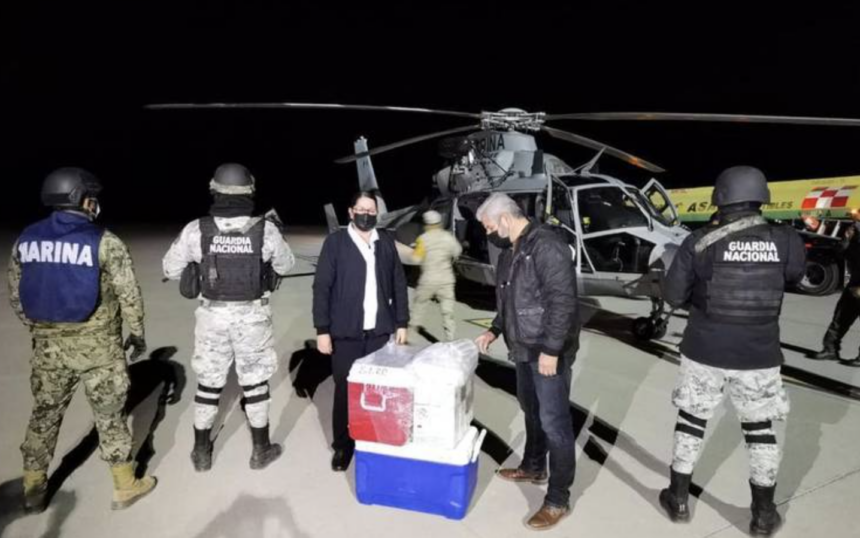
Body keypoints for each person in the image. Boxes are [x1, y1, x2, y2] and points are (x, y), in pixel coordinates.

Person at [660, 166, 806, 536]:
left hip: (704, 349)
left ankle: (678, 499)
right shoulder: (786, 239)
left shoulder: (699, 241)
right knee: (760, 430)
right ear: (761, 196)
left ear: (720, 197)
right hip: (758, 354)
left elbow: (672, 296)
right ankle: (763, 515)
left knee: (691, 421)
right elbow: (793, 276)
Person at [7, 167, 157, 512]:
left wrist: (41, 330)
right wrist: (137, 333)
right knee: (110, 416)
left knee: (44, 415)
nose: (95, 203)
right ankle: (125, 485)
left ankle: (33, 489)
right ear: (81, 199)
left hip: (48, 349)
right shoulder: (104, 241)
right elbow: (129, 295)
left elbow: (17, 293)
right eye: (92, 197)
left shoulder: (26, 239)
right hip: (99, 349)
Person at [162, 163, 295, 472]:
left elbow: (170, 268)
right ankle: (261, 450)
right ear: (250, 191)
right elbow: (286, 265)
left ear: (214, 190)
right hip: (253, 317)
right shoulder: (266, 229)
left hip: (213, 317)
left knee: (208, 383)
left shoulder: (197, 229)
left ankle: (201, 452)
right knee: (256, 382)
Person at [473, 193, 579, 531]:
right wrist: (493, 330)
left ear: (505, 219)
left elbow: (562, 302)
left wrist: (551, 350)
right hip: (522, 348)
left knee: (555, 425)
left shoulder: (547, 246)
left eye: (489, 226)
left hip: (546, 351)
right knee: (531, 411)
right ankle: (534, 467)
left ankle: (558, 499)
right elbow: (508, 301)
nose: (488, 233)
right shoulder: (510, 252)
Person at [312, 192, 410, 471]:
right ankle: (343, 446)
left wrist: (401, 322)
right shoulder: (336, 243)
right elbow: (322, 287)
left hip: (379, 333)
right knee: (345, 391)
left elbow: (398, 283)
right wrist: (322, 330)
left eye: (371, 210)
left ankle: (372, 441)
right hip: (346, 334)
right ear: (351, 212)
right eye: (361, 209)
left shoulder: (385, 242)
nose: (366, 214)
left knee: (377, 391)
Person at [812, 221, 860, 366]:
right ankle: (830, 349)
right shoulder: (854, 236)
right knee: (840, 319)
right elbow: (841, 252)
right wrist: (847, 237)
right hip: (854, 285)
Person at [410, 209, 463, 341]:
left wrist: (415, 249)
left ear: (426, 224)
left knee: (419, 306)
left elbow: (416, 259)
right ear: (439, 223)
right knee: (448, 312)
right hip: (446, 280)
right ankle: (450, 339)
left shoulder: (423, 239)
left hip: (428, 279)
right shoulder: (448, 237)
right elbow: (457, 251)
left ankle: (410, 335)